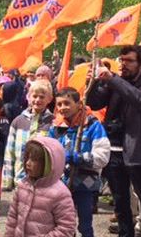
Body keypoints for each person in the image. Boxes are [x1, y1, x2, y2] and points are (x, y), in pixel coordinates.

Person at [86, 45, 141, 237]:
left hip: (139, 152)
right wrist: (91, 81)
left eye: (129, 61)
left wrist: (113, 79)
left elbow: (139, 99)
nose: (123, 64)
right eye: (121, 60)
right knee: (120, 200)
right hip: (115, 150)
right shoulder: (117, 83)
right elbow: (95, 102)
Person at [49, 87, 111, 237]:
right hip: (61, 185)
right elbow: (49, 152)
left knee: (85, 225)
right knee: (63, 223)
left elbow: (103, 156)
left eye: (67, 103)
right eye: (59, 104)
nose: (62, 108)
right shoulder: (56, 127)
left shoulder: (93, 125)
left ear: (79, 104)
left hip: (85, 185)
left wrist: (81, 158)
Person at [4, 137, 76, 237]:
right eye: (27, 158)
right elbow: (12, 219)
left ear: (48, 163)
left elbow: (66, 228)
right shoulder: (23, 186)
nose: (28, 163)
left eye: (34, 160)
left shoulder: (60, 194)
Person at [2, 79, 54, 191]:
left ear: (49, 99)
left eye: (42, 97)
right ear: (28, 97)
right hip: (21, 180)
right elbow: (9, 153)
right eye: (34, 96)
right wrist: (7, 180)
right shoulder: (18, 121)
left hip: (43, 184)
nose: (37, 100)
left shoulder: (53, 123)